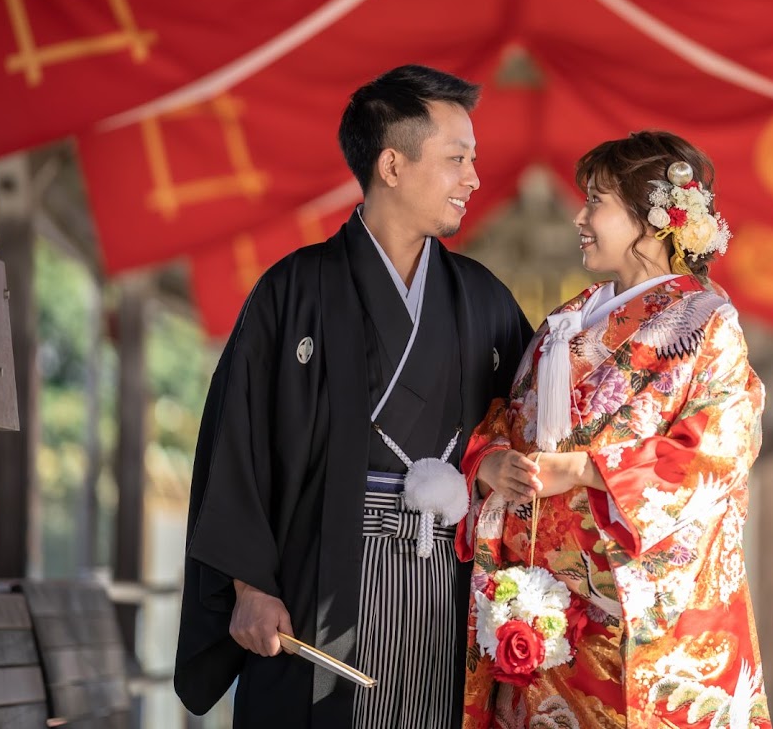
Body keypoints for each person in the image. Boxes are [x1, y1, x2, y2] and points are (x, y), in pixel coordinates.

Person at [175, 64, 534, 729]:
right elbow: (237, 440)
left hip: (447, 580)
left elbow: (534, 428)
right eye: (456, 159)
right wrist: (249, 585)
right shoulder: (294, 290)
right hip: (318, 574)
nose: (473, 179)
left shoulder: (483, 300)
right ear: (391, 165)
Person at [456, 130, 772, 728]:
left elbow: (720, 447)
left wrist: (585, 468)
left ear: (650, 220)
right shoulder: (566, 322)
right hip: (543, 603)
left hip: (639, 608)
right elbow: (508, 419)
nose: (578, 216)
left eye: (596, 201)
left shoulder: (707, 323)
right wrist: (490, 460)